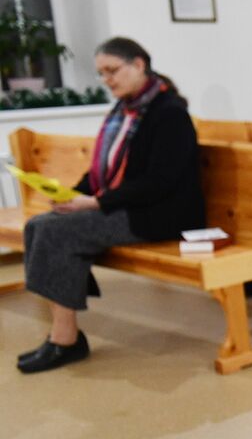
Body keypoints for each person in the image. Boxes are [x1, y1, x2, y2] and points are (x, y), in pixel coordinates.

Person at [15, 37, 203, 372]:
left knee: (58, 234)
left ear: (139, 65)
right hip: (128, 206)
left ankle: (65, 339)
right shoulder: (125, 111)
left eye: (112, 71)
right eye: (101, 73)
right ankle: (65, 331)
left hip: (159, 214)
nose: (107, 80)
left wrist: (96, 202)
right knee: (39, 224)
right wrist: (72, 194)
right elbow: (104, 169)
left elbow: (158, 183)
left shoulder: (169, 114)